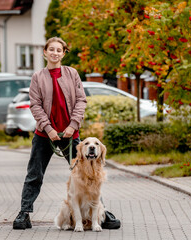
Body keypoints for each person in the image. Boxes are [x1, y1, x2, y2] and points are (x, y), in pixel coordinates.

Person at [13, 37, 121, 230]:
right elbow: (35, 105)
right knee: (34, 174)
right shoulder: (38, 77)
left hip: (72, 136)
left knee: (89, 173)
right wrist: (49, 129)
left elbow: (81, 101)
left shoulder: (72, 74)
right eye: (51, 49)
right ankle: (24, 213)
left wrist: (72, 126)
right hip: (45, 135)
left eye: (59, 50)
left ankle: (102, 213)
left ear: (64, 53)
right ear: (44, 52)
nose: (55, 53)